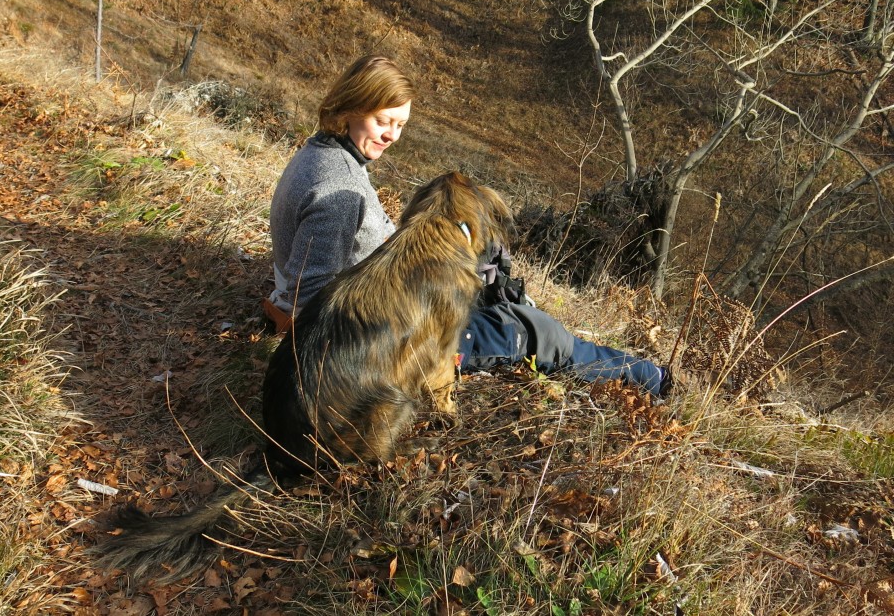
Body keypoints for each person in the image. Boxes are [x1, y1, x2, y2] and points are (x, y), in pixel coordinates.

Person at [265, 54, 673, 397]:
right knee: (540, 335)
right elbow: (309, 298)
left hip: (392, 303)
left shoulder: (327, 153)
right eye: (383, 121)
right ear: (352, 108)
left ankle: (512, 307)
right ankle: (648, 378)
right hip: (386, 339)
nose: (392, 136)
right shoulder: (341, 188)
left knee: (493, 280)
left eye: (401, 125)